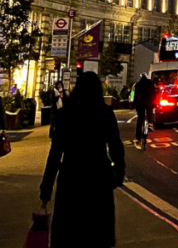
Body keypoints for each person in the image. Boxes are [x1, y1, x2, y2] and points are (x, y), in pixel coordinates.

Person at [40, 70, 125, 248]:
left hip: (71, 179)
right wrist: (118, 173)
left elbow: (55, 154)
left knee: (69, 235)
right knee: (97, 236)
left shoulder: (66, 114)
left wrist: (46, 190)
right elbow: (116, 146)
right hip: (98, 179)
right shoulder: (104, 113)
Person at [132, 71, 155, 145]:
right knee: (149, 112)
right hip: (149, 102)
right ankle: (150, 124)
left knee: (140, 120)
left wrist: (133, 105)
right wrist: (154, 103)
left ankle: (138, 138)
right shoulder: (150, 83)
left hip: (140, 103)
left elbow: (136, 96)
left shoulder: (138, 85)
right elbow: (154, 93)